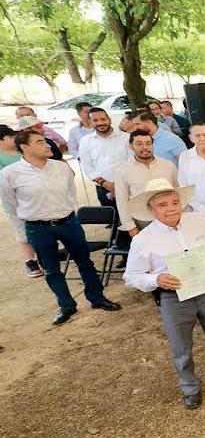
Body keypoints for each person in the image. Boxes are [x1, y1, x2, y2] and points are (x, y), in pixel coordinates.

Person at [123, 178, 205, 409]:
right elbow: (131, 276)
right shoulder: (143, 240)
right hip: (173, 297)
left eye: (174, 202)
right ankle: (190, 387)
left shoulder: (198, 221)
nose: (171, 208)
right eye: (163, 205)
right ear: (152, 210)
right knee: (181, 346)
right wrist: (156, 279)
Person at [0, 128, 122, 324]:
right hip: (37, 228)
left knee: (85, 262)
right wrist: (32, 220)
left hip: (68, 222)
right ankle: (66, 305)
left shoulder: (61, 168)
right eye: (40, 142)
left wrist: (64, 213)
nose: (47, 145)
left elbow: (70, 194)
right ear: (25, 147)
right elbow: (11, 204)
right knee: (51, 269)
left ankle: (97, 298)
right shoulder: (9, 174)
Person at [114, 130, 179, 241]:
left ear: (152, 145)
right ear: (131, 146)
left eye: (148, 143)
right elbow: (122, 201)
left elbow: (178, 191)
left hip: (170, 217)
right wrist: (131, 227)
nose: (145, 147)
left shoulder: (168, 165)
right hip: (142, 221)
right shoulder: (122, 170)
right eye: (139, 144)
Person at [0, 125, 43, 278]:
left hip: (36, 198)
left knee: (42, 228)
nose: (15, 139)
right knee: (22, 233)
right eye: (11, 137)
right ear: (1, 140)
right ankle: (30, 261)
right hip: (15, 202)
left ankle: (46, 256)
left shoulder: (21, 152)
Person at [79, 108, 130, 213]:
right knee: (112, 219)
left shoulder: (126, 138)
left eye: (103, 119)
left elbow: (132, 162)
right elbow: (87, 167)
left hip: (128, 186)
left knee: (132, 218)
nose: (100, 123)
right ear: (90, 122)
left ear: (109, 120)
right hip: (103, 188)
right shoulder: (86, 141)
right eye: (95, 120)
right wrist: (106, 184)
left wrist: (119, 186)